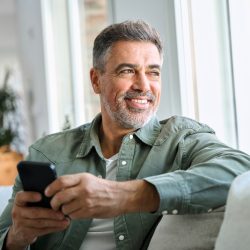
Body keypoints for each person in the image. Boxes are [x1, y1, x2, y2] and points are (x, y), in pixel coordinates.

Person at [0, 20, 250, 250]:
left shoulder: (182, 139)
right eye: (127, 71)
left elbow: (241, 171)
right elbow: (6, 235)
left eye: (153, 72)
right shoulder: (47, 152)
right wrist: (16, 237)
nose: (144, 85)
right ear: (96, 80)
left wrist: (125, 196)